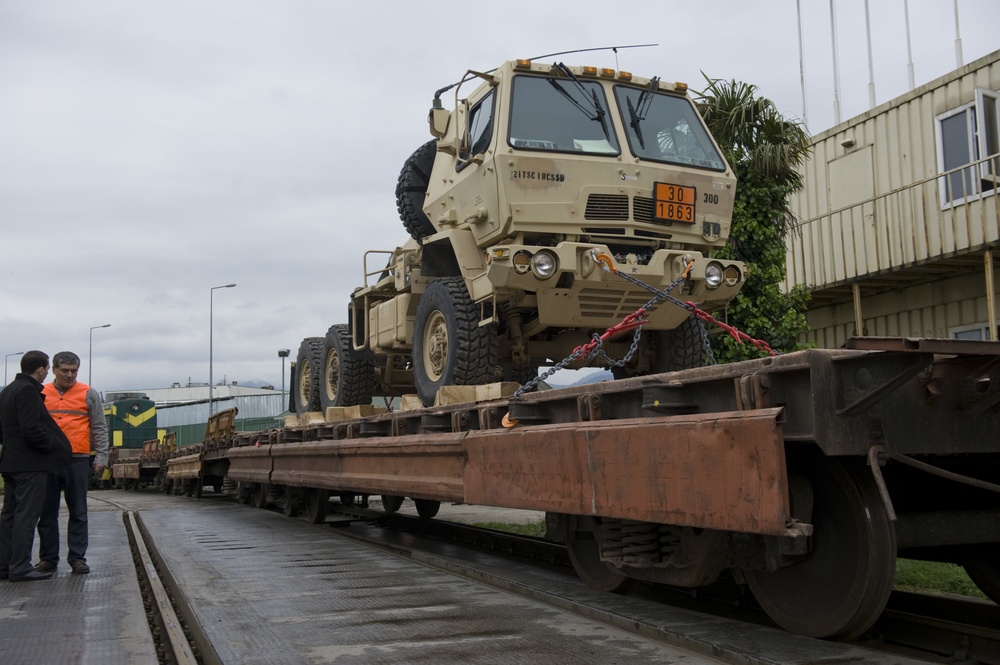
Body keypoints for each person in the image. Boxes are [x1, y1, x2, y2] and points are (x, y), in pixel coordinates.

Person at [0, 350, 72, 582]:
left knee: (9, 515)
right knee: (26, 516)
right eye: (46, 369)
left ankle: (5, 565)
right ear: (41, 369)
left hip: (10, 461)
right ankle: (20, 567)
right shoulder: (28, 391)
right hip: (30, 464)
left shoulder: (7, 391)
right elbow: (31, 429)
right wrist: (51, 444)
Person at [35, 351, 109, 575]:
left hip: (77, 459)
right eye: (64, 371)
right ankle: (48, 559)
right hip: (47, 459)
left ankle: (77, 558)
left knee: (78, 511)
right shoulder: (40, 392)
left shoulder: (88, 393)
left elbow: (99, 427)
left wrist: (101, 456)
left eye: (73, 371)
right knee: (47, 512)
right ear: (54, 370)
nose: (69, 375)